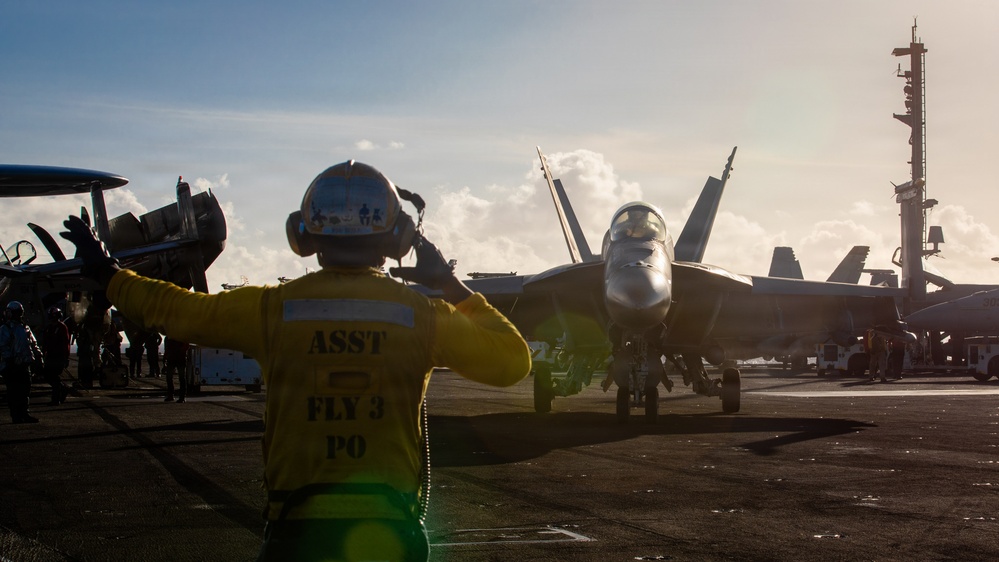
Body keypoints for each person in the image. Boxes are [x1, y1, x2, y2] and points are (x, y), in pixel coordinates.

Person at [61, 160, 531, 561]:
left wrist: (110, 274)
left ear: (304, 234)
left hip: (296, 531)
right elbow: (513, 361)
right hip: (390, 530)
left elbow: (175, 310)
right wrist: (448, 284)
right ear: (398, 236)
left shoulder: (270, 309)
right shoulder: (425, 316)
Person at [0, 301, 44, 423]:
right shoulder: (5, 329)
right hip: (11, 366)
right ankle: (16, 415)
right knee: (14, 392)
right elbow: (3, 346)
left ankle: (24, 413)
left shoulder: (25, 328)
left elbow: (33, 344)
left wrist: (39, 357)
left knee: (24, 391)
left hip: (24, 365)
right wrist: (9, 361)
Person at [41, 306, 71, 405]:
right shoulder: (49, 328)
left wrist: (66, 358)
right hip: (50, 356)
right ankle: (63, 389)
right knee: (48, 376)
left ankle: (56, 399)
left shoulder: (62, 327)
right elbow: (45, 342)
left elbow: (65, 343)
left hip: (59, 356)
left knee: (54, 376)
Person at [163, 337, 190, 403]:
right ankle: (177, 396)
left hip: (178, 358)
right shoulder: (172, 337)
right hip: (175, 358)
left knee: (179, 377)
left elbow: (186, 346)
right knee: (173, 377)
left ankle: (179, 396)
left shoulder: (170, 337)